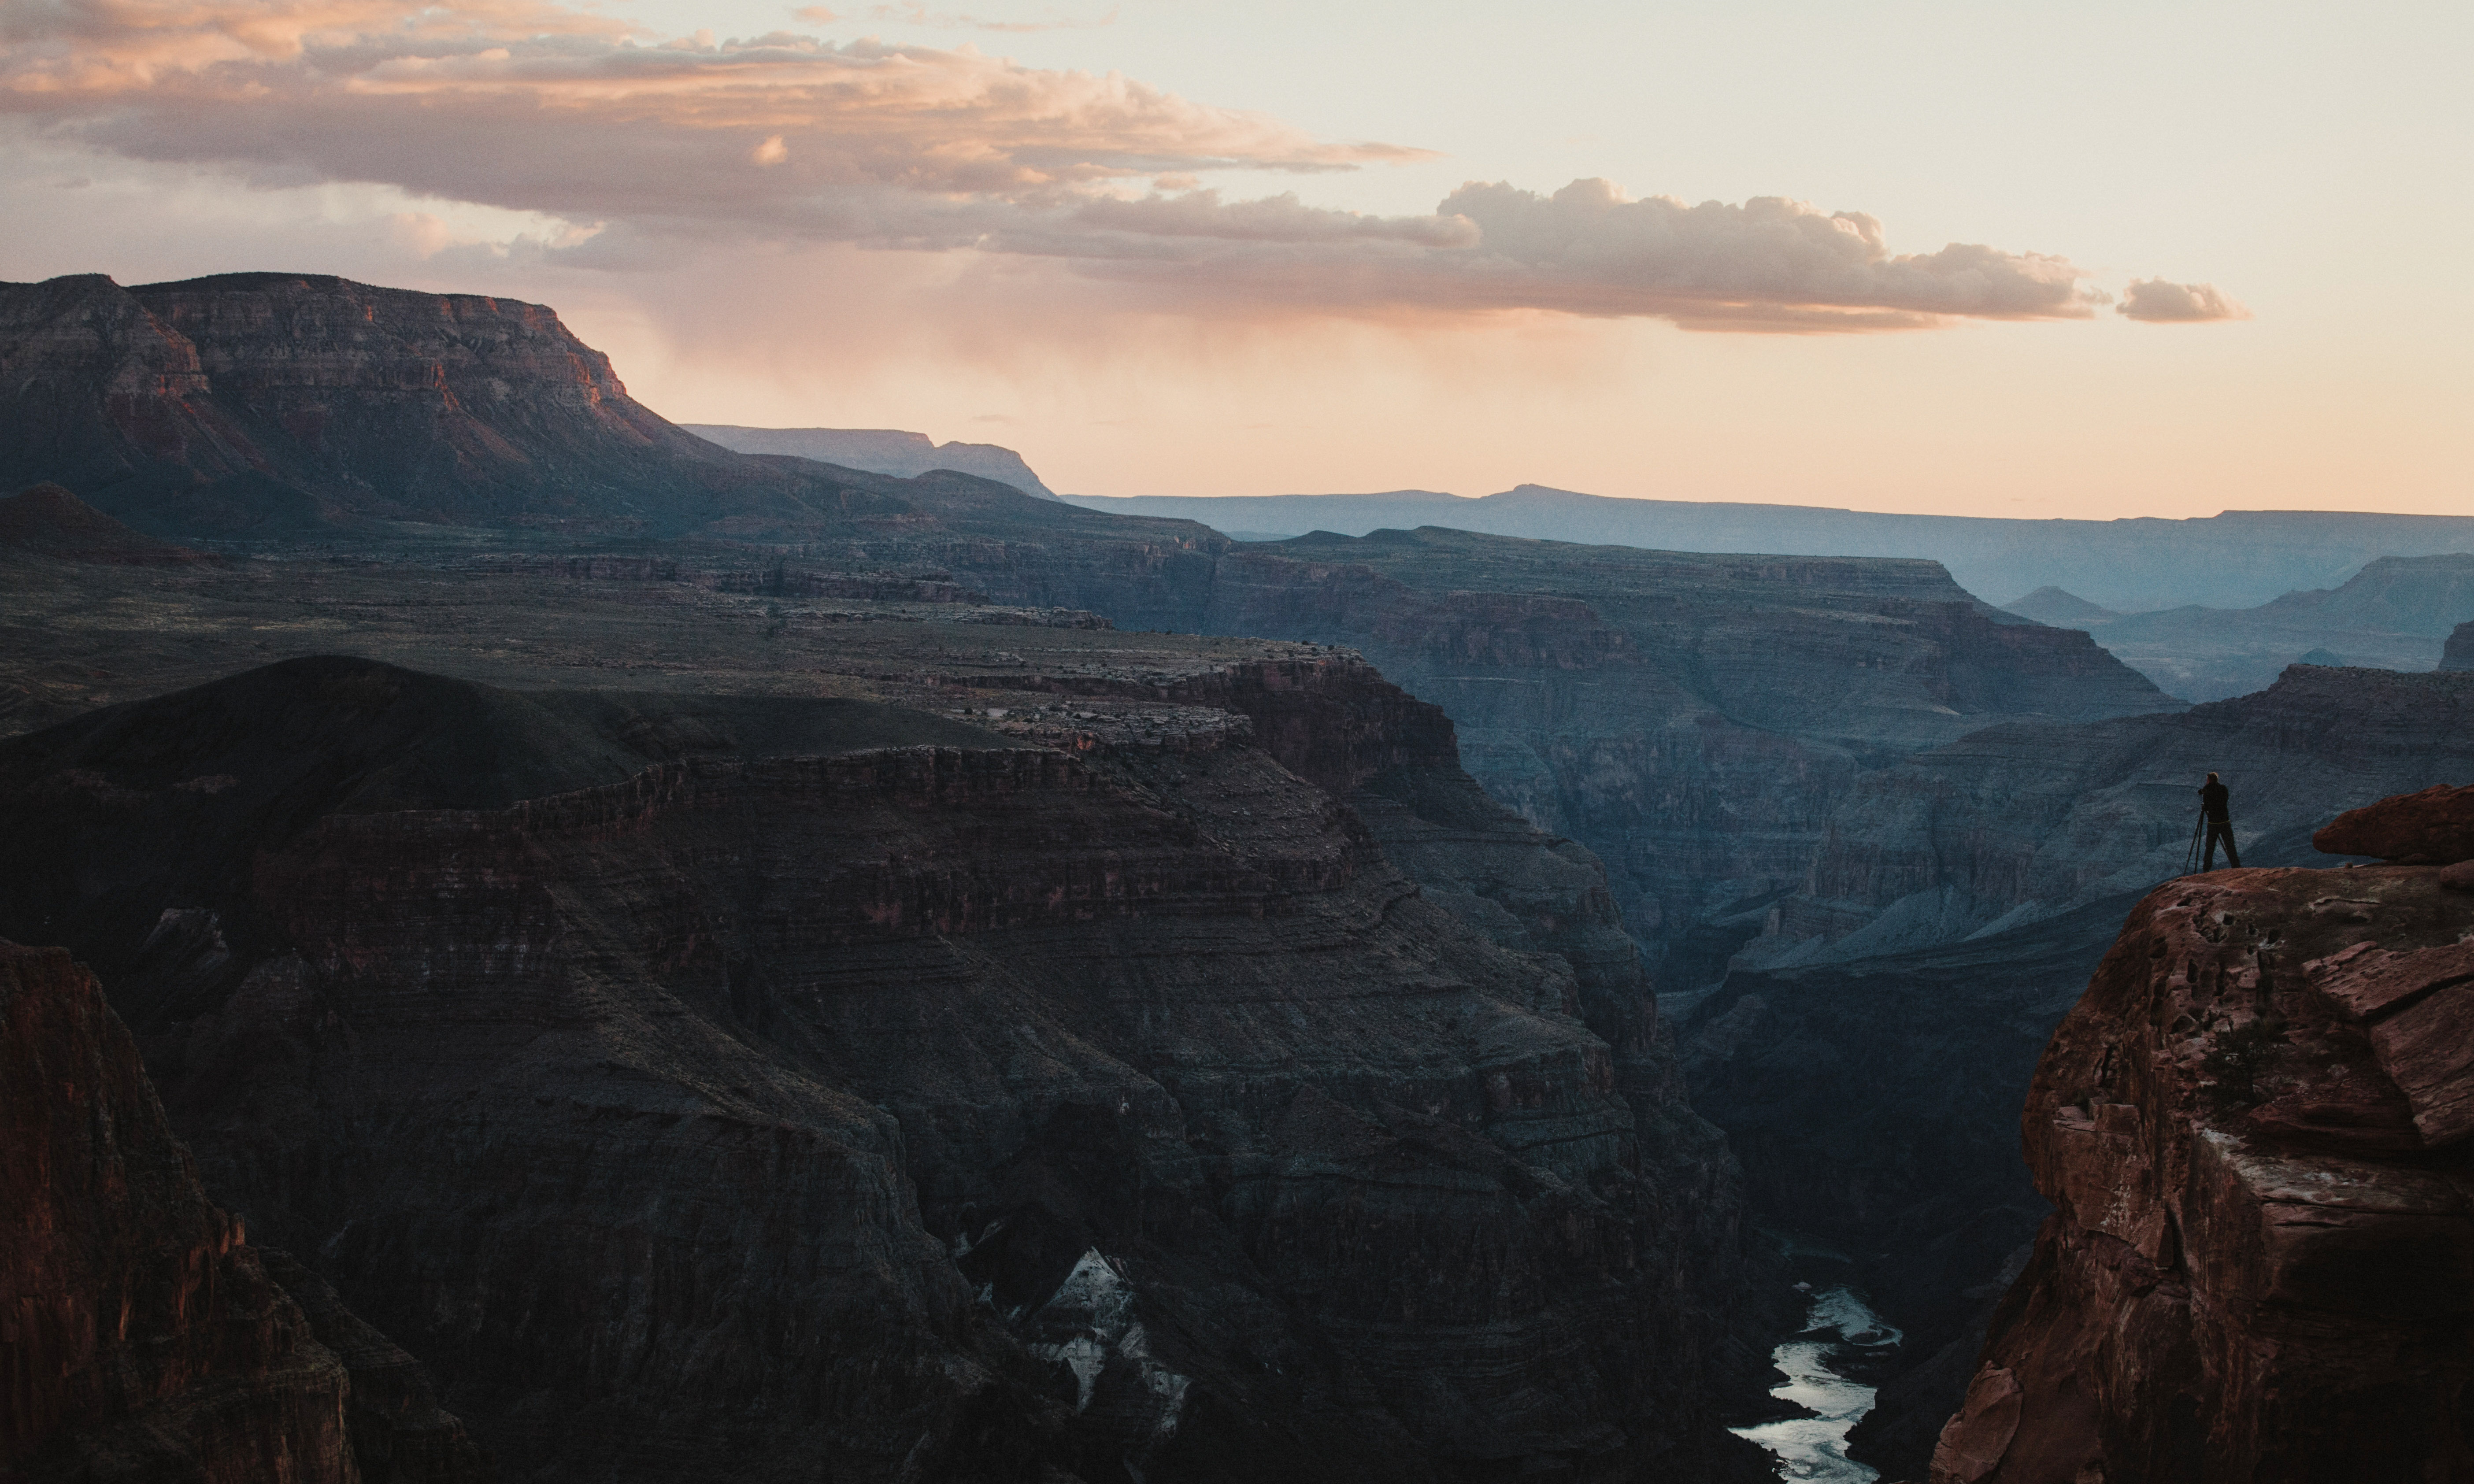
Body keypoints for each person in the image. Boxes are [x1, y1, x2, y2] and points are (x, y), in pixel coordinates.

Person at [2199, 771, 2241, 870]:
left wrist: (2205, 791)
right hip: (2225, 822)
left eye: (2207, 780)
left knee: (2210, 848)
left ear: (2209, 780)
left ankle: (2206, 869)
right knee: (2230, 846)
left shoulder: (2207, 791)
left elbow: (2208, 807)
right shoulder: (2223, 789)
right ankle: (2236, 867)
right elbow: (2225, 801)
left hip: (2213, 823)